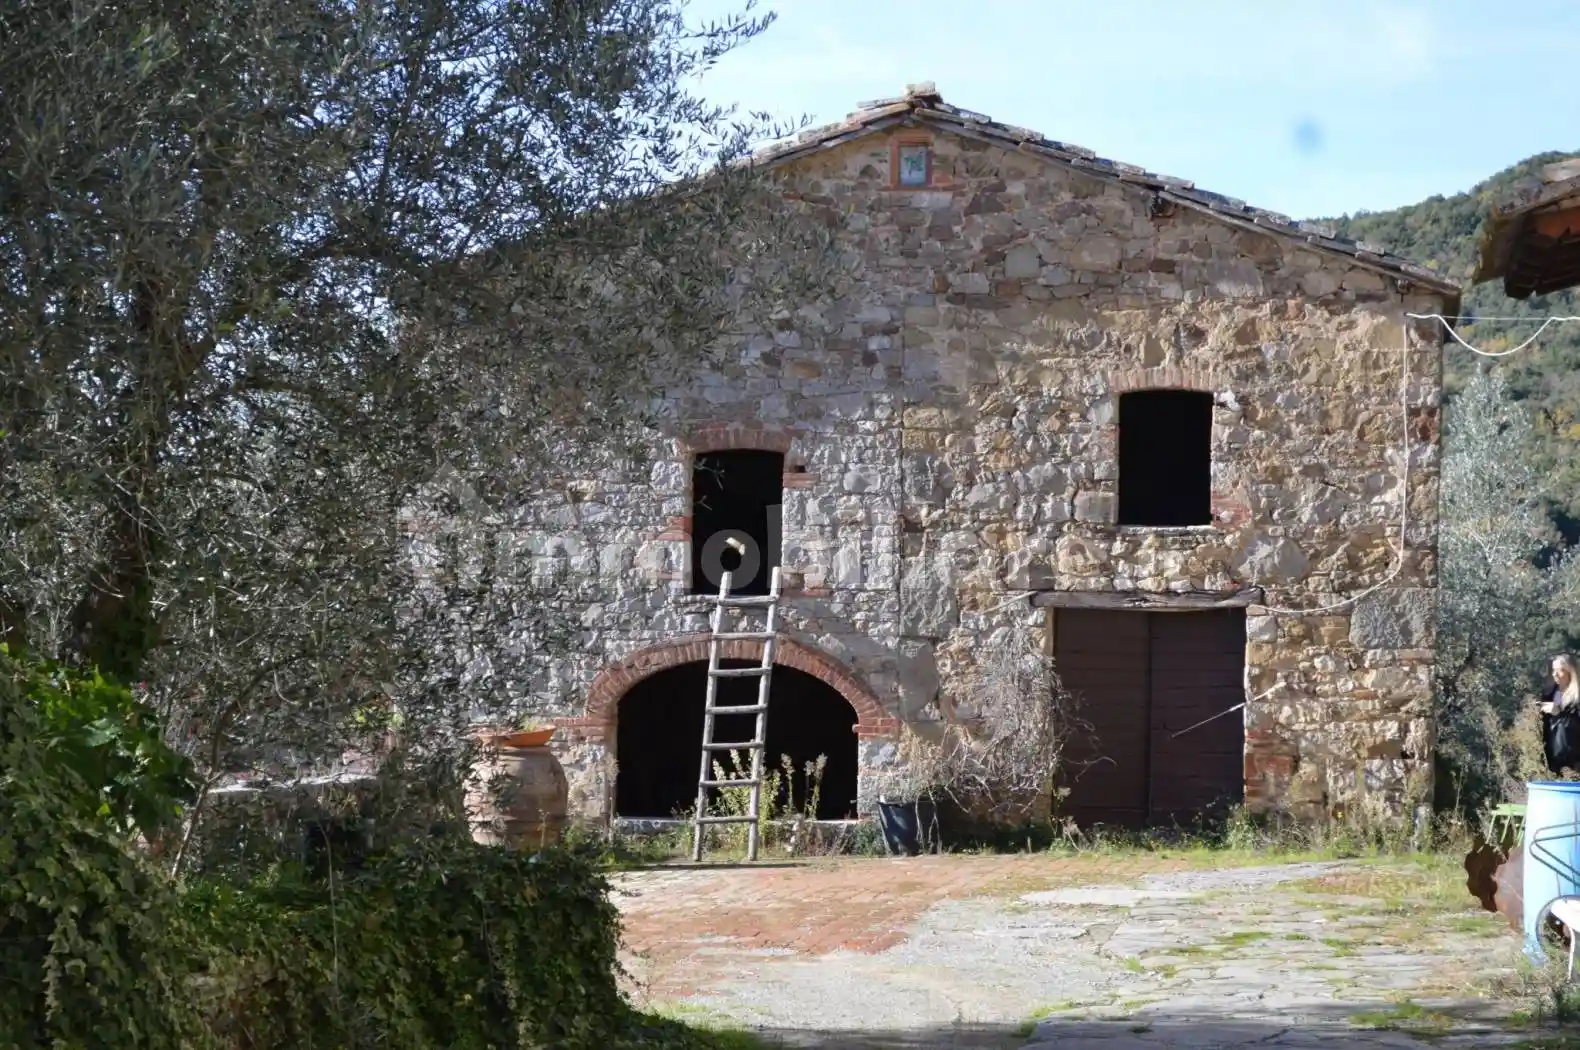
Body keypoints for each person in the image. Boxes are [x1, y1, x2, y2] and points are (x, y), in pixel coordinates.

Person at [1539, 654, 1580, 776]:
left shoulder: (1577, 698)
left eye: (1560, 670)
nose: (1555, 674)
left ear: (1571, 673)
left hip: (1574, 764)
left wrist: (1559, 713)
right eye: (1553, 670)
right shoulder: (1549, 694)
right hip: (1551, 762)